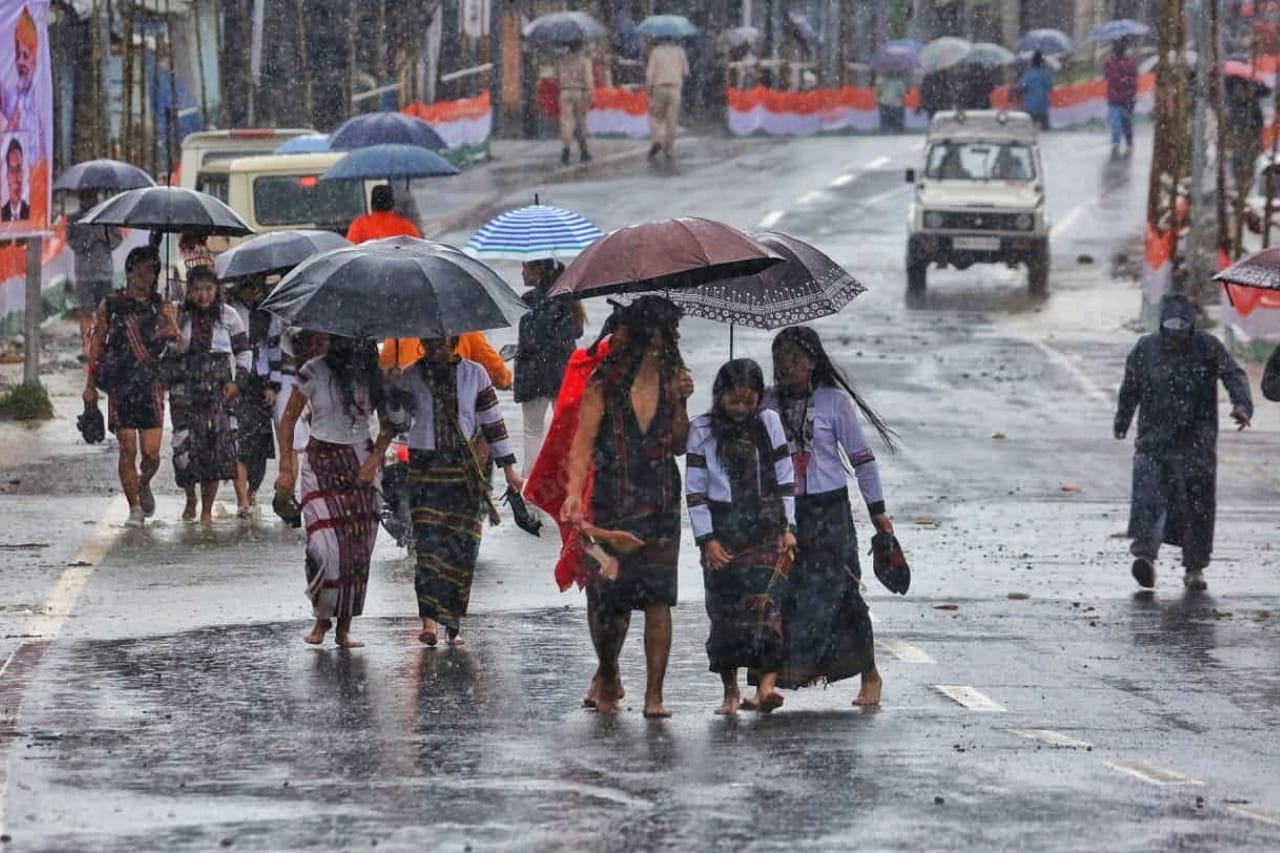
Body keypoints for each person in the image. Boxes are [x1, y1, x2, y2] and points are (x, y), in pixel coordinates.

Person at [561, 296, 694, 718]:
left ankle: (654, 694)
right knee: (606, 598)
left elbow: (680, 444)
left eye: (666, 335)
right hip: (611, 501)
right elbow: (583, 441)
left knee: (658, 598)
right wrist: (573, 493)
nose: (660, 343)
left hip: (660, 501)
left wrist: (683, 404)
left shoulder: (675, 379)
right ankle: (609, 670)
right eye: (654, 334)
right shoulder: (605, 381)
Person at [763, 326, 898, 707]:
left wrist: (878, 512)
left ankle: (870, 674)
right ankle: (769, 680)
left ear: (812, 362)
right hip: (783, 512)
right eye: (778, 359)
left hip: (829, 509)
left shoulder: (834, 403)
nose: (784, 367)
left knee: (844, 592)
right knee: (778, 591)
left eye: (793, 358)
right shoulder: (766, 403)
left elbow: (862, 461)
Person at [1114, 294, 1253, 591]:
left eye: (1182, 328)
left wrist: (1242, 406)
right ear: (1161, 326)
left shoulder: (1209, 348)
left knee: (1197, 507)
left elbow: (1234, 375)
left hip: (1197, 443)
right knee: (1149, 499)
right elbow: (1130, 388)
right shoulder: (1145, 348)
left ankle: (1195, 567)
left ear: (1192, 326)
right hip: (1153, 442)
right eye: (1171, 328)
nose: (1176, 335)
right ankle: (1145, 558)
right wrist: (1122, 420)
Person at [391, 336, 522, 647]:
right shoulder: (410, 375)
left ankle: (452, 620)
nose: (438, 345)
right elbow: (397, 422)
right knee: (428, 548)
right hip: (424, 469)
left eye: (445, 340)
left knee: (462, 549)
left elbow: (493, 422)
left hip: (464, 471)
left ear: (454, 341)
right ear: (423, 341)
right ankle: (429, 623)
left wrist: (509, 468)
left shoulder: (475, 373)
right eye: (432, 340)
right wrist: (393, 392)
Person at [686, 358, 796, 716]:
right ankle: (730, 690)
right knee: (725, 614)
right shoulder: (702, 430)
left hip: (765, 528)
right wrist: (708, 540)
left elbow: (785, 476)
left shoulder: (769, 422)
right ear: (720, 396)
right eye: (734, 401)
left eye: (749, 402)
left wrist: (788, 527)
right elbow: (696, 491)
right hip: (723, 530)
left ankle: (766, 685)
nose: (741, 409)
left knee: (768, 607)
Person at [276, 336, 396, 648]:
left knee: (357, 550)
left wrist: (373, 461)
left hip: (360, 464)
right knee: (323, 547)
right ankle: (321, 618)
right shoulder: (312, 371)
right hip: (320, 462)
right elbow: (287, 420)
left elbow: (389, 425)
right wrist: (285, 469)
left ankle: (344, 627)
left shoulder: (373, 375)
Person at [83, 246, 179, 527]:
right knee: (127, 447)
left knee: (151, 454)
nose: (144, 274)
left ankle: (142, 482)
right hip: (121, 383)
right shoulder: (110, 305)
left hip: (151, 385)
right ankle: (134, 507)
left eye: (151, 269)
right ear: (129, 270)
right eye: (140, 268)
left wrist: (171, 319)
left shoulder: (161, 305)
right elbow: (97, 345)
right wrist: (90, 386)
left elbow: (178, 345)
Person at [167, 265, 251, 525]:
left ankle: (206, 510)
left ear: (216, 290)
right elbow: (165, 350)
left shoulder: (229, 316)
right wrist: (171, 334)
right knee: (184, 448)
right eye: (197, 290)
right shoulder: (178, 315)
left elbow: (243, 351)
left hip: (219, 390)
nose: (203, 295)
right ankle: (190, 496)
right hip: (185, 389)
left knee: (215, 448)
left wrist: (239, 382)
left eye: (208, 289)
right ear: (189, 292)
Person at [513, 259, 583, 475]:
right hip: (562, 374)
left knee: (532, 431)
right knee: (565, 430)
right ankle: (566, 478)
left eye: (525, 268)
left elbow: (529, 339)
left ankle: (530, 480)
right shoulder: (568, 299)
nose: (522, 273)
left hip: (533, 375)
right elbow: (575, 333)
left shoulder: (529, 300)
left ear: (537, 271)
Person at [227, 275, 282, 517]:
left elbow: (274, 347)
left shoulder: (268, 312)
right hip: (238, 380)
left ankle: (252, 491)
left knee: (259, 445)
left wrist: (273, 385)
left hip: (261, 381)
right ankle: (242, 500)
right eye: (248, 287)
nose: (252, 292)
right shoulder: (229, 310)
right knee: (240, 443)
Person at [67, 189, 122, 359]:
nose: (88, 198)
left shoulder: (107, 216)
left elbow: (116, 240)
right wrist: (88, 239)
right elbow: (73, 244)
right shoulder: (74, 219)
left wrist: (104, 237)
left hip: (104, 272)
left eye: (91, 195)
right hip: (84, 274)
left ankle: (103, 345)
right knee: (86, 312)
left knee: (105, 312)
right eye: (84, 195)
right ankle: (87, 348)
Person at [3, 7, 46, 161]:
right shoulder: (8, 98)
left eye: (25, 55)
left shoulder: (36, 107)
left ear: (35, 60)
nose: (20, 61)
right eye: (17, 54)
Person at [645, 37, 689, 160]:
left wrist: (648, 90)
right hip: (675, 88)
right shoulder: (680, 51)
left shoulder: (655, 52)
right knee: (672, 120)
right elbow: (686, 72)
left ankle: (656, 140)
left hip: (659, 87)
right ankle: (669, 148)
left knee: (654, 116)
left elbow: (649, 74)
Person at [555, 41, 594, 165]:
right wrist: (590, 93)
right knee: (580, 122)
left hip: (564, 92)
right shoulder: (584, 60)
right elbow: (589, 79)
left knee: (566, 122)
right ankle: (584, 151)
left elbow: (556, 76)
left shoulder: (562, 60)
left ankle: (566, 151)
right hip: (579, 92)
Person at [346, 185, 421, 244]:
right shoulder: (407, 227)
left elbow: (350, 250)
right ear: (392, 204)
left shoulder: (358, 226)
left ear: (372, 204)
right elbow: (419, 250)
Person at [1105, 39, 1138, 157]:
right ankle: (1122, 143)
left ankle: (1120, 143)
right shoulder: (1129, 62)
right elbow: (1133, 79)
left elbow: (1108, 77)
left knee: (1122, 122)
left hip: (1120, 98)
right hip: (1124, 99)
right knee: (1123, 122)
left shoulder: (1111, 63)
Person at [1016, 51, 1054, 130]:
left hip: (1029, 107)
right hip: (1042, 106)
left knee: (1029, 130)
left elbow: (1020, 87)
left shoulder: (1028, 74)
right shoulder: (1046, 74)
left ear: (1032, 62)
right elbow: (1050, 87)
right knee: (1045, 130)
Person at [2, 138, 28, 221]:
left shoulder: (31, 213)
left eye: (19, 169)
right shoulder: (2, 214)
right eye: (12, 171)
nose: (16, 178)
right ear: (7, 176)